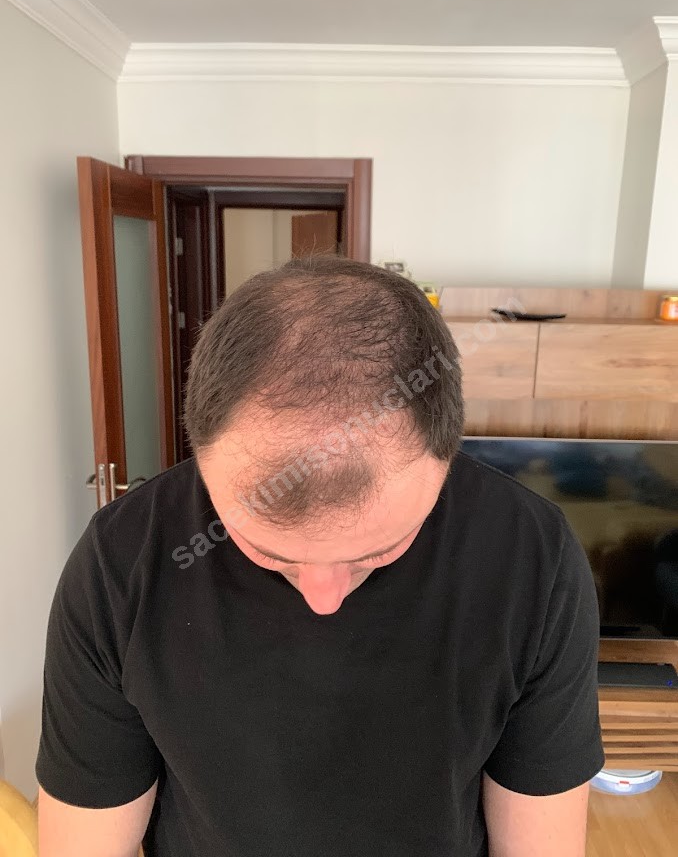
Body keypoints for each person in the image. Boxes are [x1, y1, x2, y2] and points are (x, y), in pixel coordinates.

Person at [37, 257, 604, 857]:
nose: (323, 600)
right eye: (267, 551)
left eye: (377, 551)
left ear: (447, 459)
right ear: (199, 455)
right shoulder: (121, 563)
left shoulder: (533, 558)